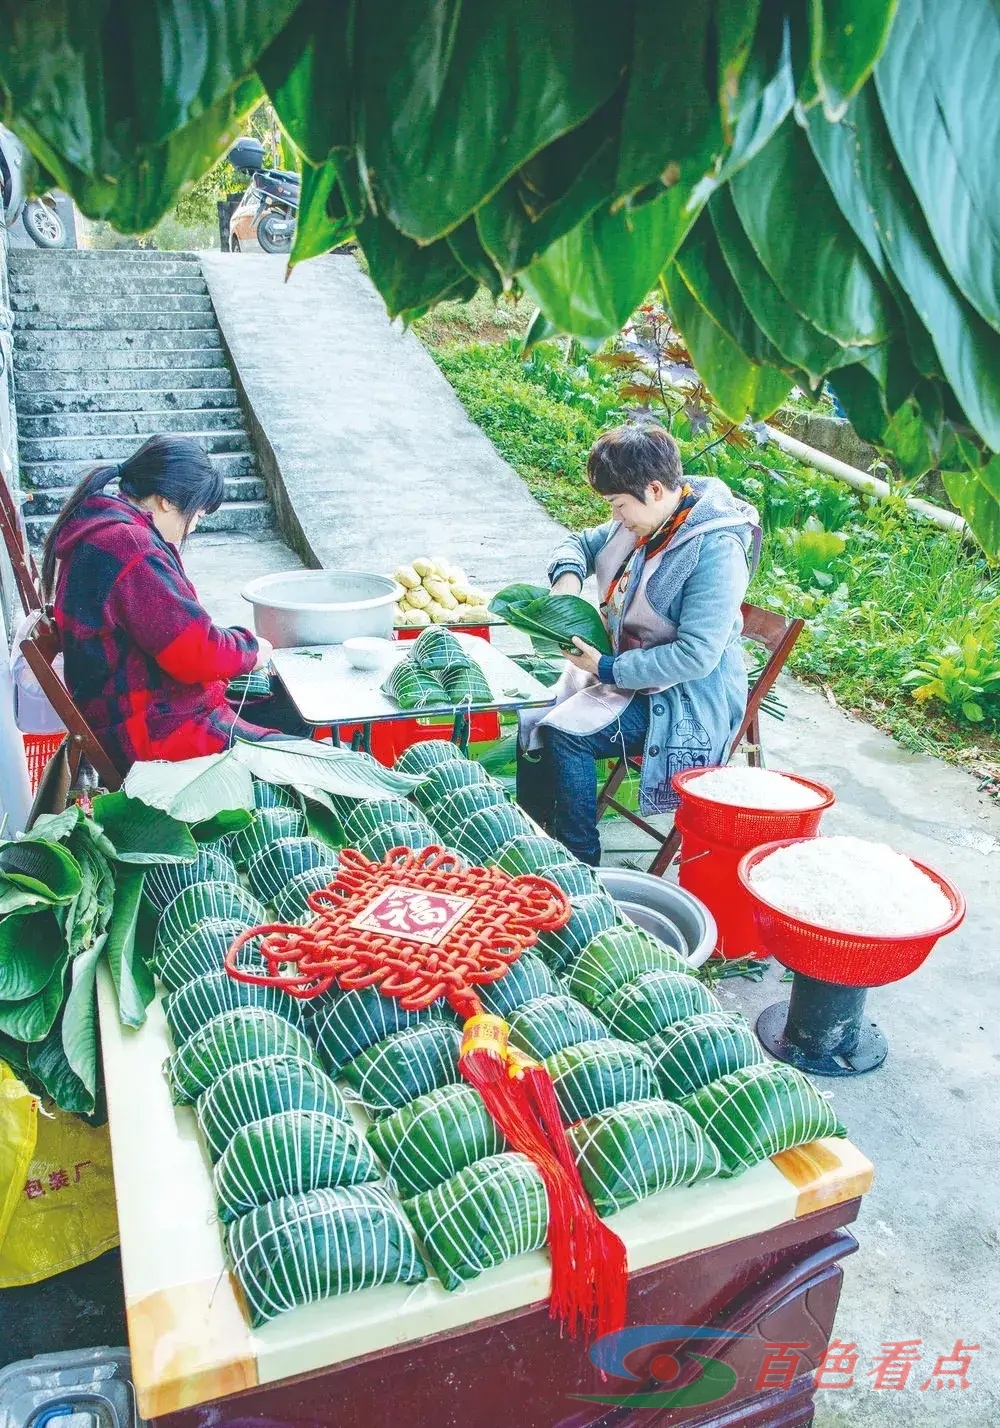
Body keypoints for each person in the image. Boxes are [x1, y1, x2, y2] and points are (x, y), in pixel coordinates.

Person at [517, 423, 760, 866]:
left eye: (618, 505)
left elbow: (696, 656)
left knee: (564, 735)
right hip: (625, 671)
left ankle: (578, 862)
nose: (615, 517)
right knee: (531, 713)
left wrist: (607, 667)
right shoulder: (650, 518)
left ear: (653, 488)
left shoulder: (715, 548)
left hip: (684, 697)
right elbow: (578, 544)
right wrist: (567, 587)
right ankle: (536, 836)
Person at [41, 434, 306, 771]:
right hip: (155, 733)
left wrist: (241, 649)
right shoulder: (129, 545)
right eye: (196, 514)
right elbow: (195, 652)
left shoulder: (110, 531)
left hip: (148, 713)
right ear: (165, 500)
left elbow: (179, 634)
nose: (192, 526)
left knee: (287, 703)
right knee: (307, 761)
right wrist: (253, 650)